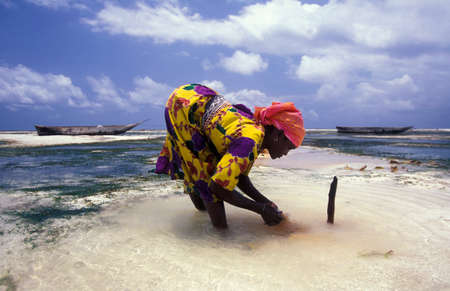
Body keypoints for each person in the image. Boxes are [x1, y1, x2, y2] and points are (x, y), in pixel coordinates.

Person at [155, 84, 305, 228]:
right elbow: (218, 186)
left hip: (196, 95)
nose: (286, 153)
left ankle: (200, 224)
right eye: (289, 147)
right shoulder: (250, 140)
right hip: (184, 106)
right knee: (210, 193)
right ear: (277, 135)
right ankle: (219, 244)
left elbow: (239, 177)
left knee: (204, 199)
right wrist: (260, 209)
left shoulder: (257, 134)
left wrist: (265, 203)